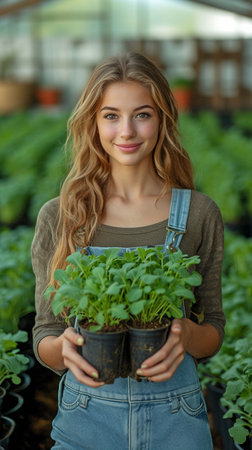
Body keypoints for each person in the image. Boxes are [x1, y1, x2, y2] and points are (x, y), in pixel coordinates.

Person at [31, 51, 225, 450]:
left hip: (177, 420)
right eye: (111, 115)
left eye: (142, 114)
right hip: (86, 420)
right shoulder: (62, 216)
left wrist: (187, 334)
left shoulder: (199, 213)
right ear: (93, 122)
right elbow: (46, 334)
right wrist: (62, 349)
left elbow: (214, 331)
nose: (127, 131)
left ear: (163, 119)